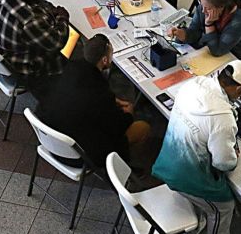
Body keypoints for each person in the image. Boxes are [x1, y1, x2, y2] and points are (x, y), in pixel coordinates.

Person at [151, 61, 241, 234]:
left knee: (201, 201)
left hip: (167, 160)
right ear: (238, 88)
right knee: (224, 206)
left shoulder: (193, 84)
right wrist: (233, 154)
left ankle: (190, 229)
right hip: (188, 175)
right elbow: (223, 163)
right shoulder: (223, 118)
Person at [32, 34, 153, 171]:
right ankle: (125, 170)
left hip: (51, 141)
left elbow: (86, 101)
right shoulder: (100, 93)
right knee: (143, 128)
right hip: (79, 156)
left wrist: (110, 101)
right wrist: (129, 115)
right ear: (105, 60)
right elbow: (117, 128)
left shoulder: (69, 68)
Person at [0, 0, 71, 96]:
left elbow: (35, 5)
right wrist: (63, 18)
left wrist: (47, 10)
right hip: (23, 66)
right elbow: (58, 42)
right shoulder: (29, 20)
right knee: (74, 61)